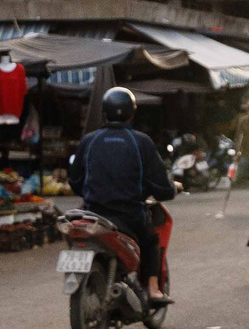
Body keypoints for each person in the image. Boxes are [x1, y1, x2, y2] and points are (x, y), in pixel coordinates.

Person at [69, 85, 174, 300]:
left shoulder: (89, 140)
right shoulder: (141, 141)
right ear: (132, 112)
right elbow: (161, 185)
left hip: (92, 213)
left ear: (105, 112)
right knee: (151, 241)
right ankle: (153, 289)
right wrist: (170, 190)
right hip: (130, 214)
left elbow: (76, 181)